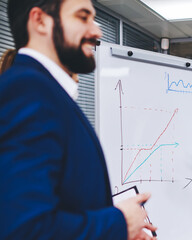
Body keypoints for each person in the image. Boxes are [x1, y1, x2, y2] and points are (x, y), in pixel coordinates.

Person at [0, 0, 156, 239]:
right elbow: (25, 229)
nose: (97, 31)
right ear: (40, 20)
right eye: (83, 17)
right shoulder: (27, 90)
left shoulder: (49, 93)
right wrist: (119, 222)